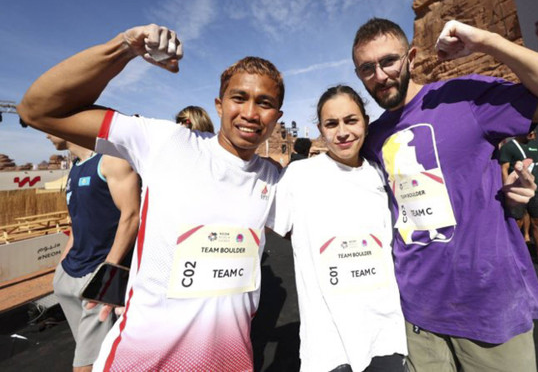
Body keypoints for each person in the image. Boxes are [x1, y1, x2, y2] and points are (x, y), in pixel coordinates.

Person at [18, 25, 283, 371]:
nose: (250, 113)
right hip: (142, 361)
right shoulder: (165, 142)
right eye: (239, 98)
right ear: (218, 105)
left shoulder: (277, 181)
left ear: (276, 117)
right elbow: (37, 110)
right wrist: (124, 48)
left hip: (230, 361)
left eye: (264, 103)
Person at [352, 18, 538, 371]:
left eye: (388, 61)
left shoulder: (463, 97)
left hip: (489, 308)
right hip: (415, 315)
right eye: (367, 69)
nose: (380, 76)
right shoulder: (373, 138)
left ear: (410, 57)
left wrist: (489, 42)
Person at [274, 85, 407, 372]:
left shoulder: (380, 174)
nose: (342, 132)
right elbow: (277, 226)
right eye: (331, 124)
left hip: (385, 334)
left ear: (366, 122)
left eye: (351, 120)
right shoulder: (299, 177)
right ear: (321, 130)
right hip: (328, 346)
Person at [47, 134, 140, 372]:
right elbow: (77, 226)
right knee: (99, 358)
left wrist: (105, 278)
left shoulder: (111, 161)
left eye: (47, 125)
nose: (45, 132)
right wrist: (60, 270)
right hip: (69, 276)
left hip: (97, 278)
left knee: (85, 365)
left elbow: (131, 216)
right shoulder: (75, 168)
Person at [500, 126, 538, 269]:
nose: (532, 133)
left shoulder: (537, 145)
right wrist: (507, 189)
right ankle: (514, 254)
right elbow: (504, 168)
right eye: (529, 130)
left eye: (533, 131)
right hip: (518, 190)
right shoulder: (509, 147)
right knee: (517, 221)